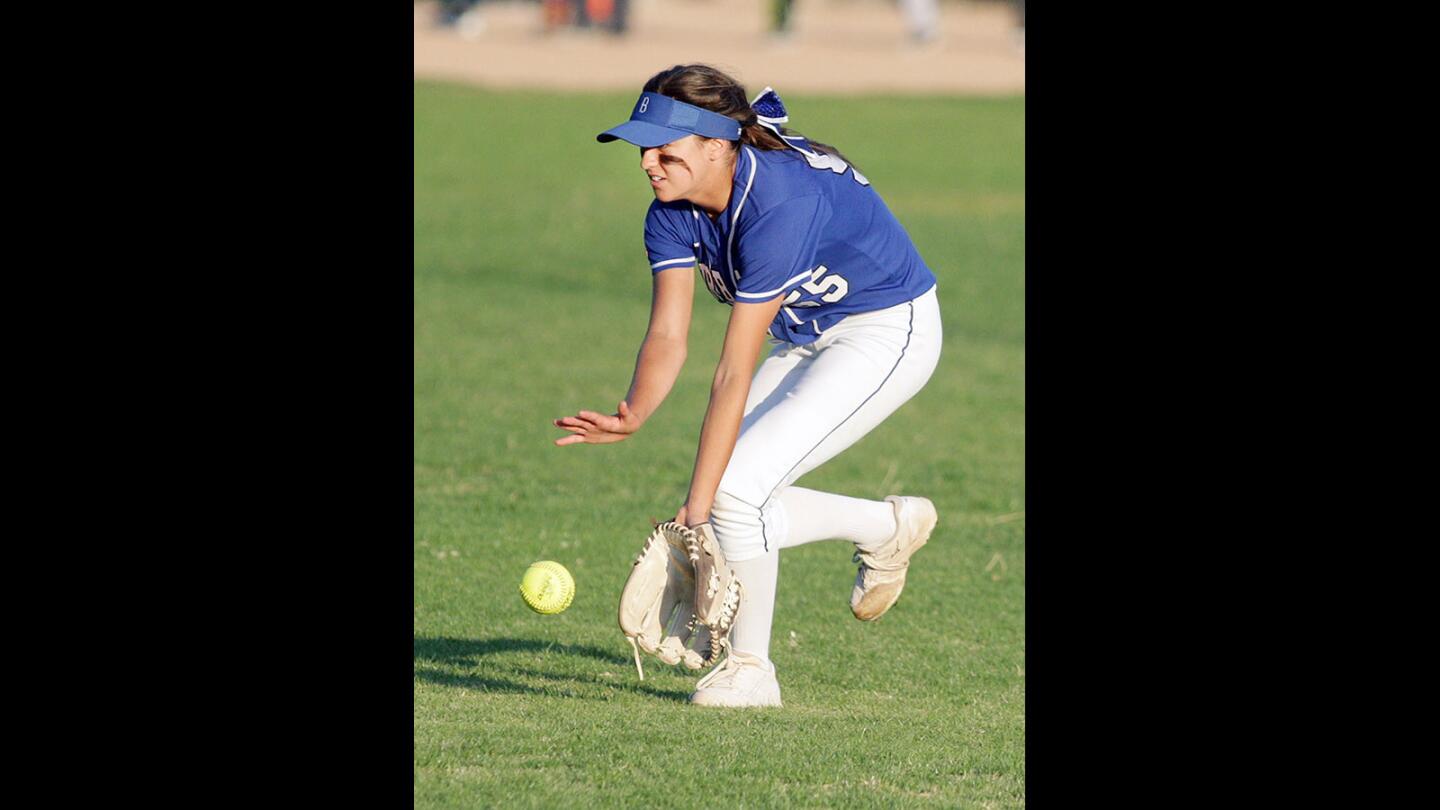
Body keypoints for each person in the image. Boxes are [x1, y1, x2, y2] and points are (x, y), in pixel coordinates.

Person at [553, 64, 943, 708]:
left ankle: (752, 671)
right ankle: (884, 526)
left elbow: (732, 370)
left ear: (716, 145)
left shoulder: (777, 203)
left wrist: (699, 511)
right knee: (738, 501)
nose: (649, 161)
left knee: (730, 496)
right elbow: (669, 336)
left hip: (886, 329)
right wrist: (635, 413)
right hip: (805, 334)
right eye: (641, 147)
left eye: (664, 147)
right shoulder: (672, 213)